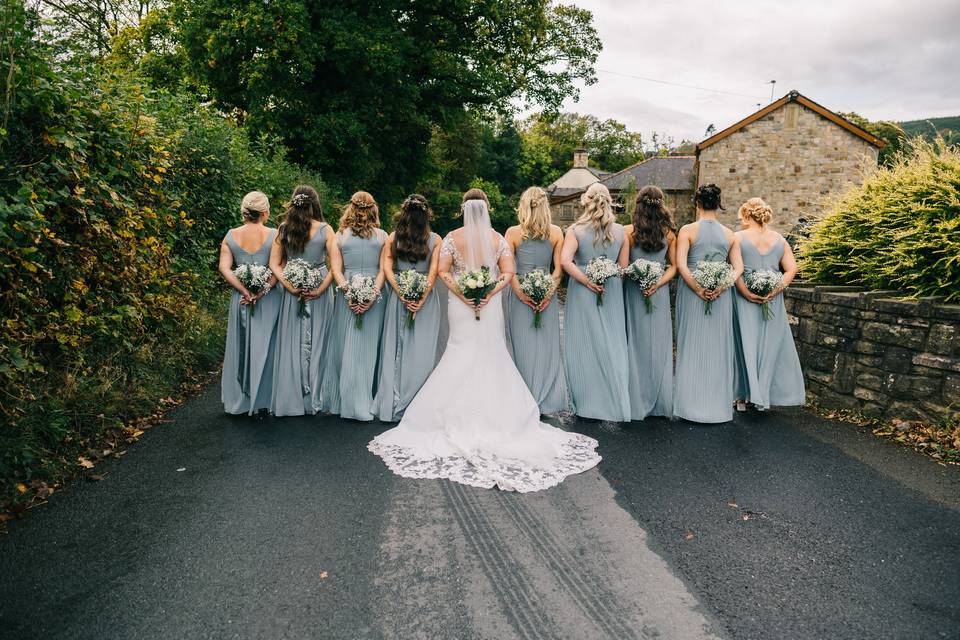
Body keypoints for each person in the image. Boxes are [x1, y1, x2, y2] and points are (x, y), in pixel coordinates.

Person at [368, 189, 601, 493]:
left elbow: (442, 271)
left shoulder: (452, 237)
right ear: (487, 208)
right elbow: (508, 273)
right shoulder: (497, 240)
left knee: (459, 353)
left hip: (460, 306)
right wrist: (489, 293)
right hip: (489, 308)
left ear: (463, 209)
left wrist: (464, 293)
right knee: (492, 355)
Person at [673, 184, 744, 423]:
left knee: (691, 344)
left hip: (694, 294)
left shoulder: (688, 230)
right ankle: (716, 407)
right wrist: (723, 285)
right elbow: (739, 268)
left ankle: (690, 406)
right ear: (718, 203)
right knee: (717, 348)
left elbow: (681, 265)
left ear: (697, 203)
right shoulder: (729, 234)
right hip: (720, 296)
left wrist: (698, 288)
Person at [560, 183, 630, 421]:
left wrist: (587, 281)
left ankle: (587, 402)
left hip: (582, 291)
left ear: (586, 201)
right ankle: (614, 399)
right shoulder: (621, 231)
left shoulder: (575, 230)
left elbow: (565, 261)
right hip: (611, 290)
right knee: (612, 342)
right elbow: (622, 268)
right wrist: (605, 274)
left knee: (583, 344)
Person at [318, 191, 388, 421]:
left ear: (351, 208)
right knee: (368, 348)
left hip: (345, 293)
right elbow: (382, 271)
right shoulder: (382, 236)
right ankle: (365, 399)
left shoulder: (341, 236)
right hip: (374, 297)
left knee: (344, 344)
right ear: (373, 209)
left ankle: (342, 401)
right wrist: (371, 295)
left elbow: (336, 270)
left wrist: (348, 293)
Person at [373, 194, 442, 422]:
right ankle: (416, 402)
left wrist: (401, 292)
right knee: (422, 350)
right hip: (426, 300)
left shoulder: (394, 237)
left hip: (398, 296)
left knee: (396, 346)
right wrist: (422, 295)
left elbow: (388, 268)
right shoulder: (435, 239)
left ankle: (395, 400)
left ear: (404, 213)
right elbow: (433, 272)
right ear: (426, 215)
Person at [733, 197, 805, 411]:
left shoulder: (737, 238)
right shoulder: (780, 239)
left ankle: (742, 397)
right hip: (772, 300)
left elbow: (735, 270)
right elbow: (791, 269)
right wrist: (775, 289)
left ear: (746, 214)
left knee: (746, 343)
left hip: (744, 298)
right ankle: (762, 395)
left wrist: (745, 291)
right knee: (768, 345)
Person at [269, 186, 336, 416]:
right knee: (319, 340)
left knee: (292, 340)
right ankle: (315, 397)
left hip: (292, 291)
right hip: (318, 290)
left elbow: (274, 265)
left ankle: (294, 395)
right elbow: (337, 267)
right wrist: (320, 289)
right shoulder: (326, 230)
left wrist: (288, 285)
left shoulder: (284, 228)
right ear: (315, 203)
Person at [504, 186, 568, 415]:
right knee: (546, 346)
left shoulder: (512, 233)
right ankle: (544, 399)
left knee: (522, 347)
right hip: (546, 298)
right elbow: (558, 270)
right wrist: (548, 292)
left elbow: (509, 271)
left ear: (524, 205)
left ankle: (525, 399)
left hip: (520, 296)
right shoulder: (557, 233)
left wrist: (521, 293)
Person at [219, 191, 281, 415]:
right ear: (265, 212)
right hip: (270, 298)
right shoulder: (274, 234)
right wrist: (263, 290)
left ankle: (242, 401)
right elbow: (277, 267)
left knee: (242, 345)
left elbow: (224, 268)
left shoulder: (231, 235)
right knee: (268, 346)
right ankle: (264, 401)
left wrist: (244, 290)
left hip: (242, 299)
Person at [618, 186, 677, 420]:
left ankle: (635, 399)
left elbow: (623, 268)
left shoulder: (626, 232)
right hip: (658, 293)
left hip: (633, 292)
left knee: (635, 343)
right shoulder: (670, 233)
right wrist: (658, 283)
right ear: (660, 204)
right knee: (658, 344)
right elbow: (674, 267)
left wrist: (637, 276)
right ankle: (658, 401)